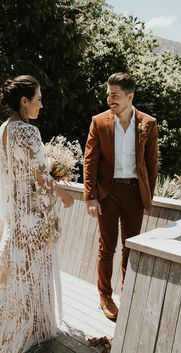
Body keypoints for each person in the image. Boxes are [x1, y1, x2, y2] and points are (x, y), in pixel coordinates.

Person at [0, 75, 74, 353]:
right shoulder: (29, 132)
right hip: (33, 215)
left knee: (15, 271)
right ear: (24, 100)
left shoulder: (4, 129)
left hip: (15, 213)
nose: (41, 105)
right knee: (33, 271)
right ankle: (25, 330)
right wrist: (64, 194)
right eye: (38, 99)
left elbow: (8, 174)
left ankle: (16, 324)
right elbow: (41, 177)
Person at [84, 72, 158, 320]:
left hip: (135, 194)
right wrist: (90, 196)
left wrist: (148, 195)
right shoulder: (99, 121)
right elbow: (90, 161)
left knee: (131, 246)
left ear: (130, 96)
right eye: (108, 94)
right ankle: (105, 295)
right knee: (107, 247)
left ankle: (127, 293)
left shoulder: (148, 123)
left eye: (114, 95)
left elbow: (151, 164)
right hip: (107, 193)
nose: (109, 99)